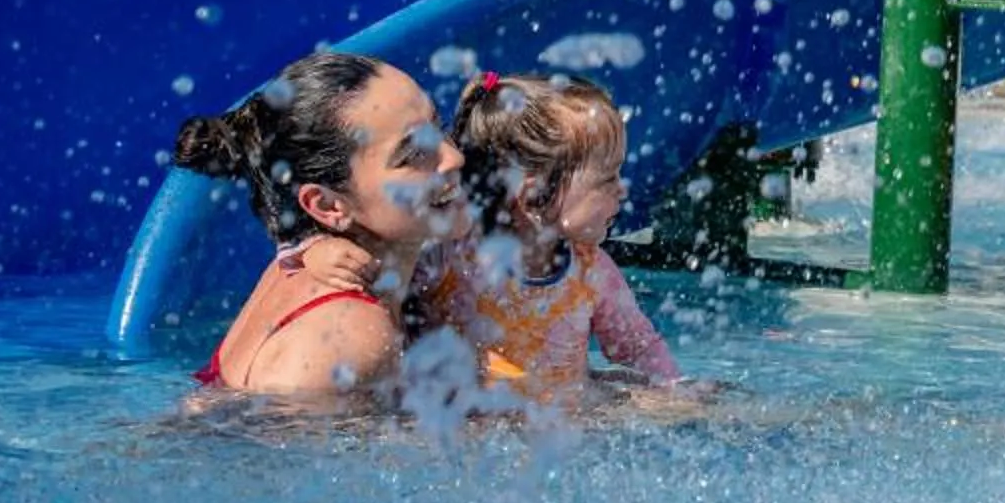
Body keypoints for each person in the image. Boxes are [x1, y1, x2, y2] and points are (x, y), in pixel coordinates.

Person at [178, 52, 467, 398]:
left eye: (439, 126)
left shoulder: (304, 263)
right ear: (328, 206)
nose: (455, 157)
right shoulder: (351, 337)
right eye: (413, 154)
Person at [417, 70, 680, 399]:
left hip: (564, 417)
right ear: (533, 193)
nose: (623, 190)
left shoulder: (591, 270)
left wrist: (675, 390)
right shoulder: (451, 256)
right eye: (607, 179)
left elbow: (639, 348)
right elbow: (399, 321)